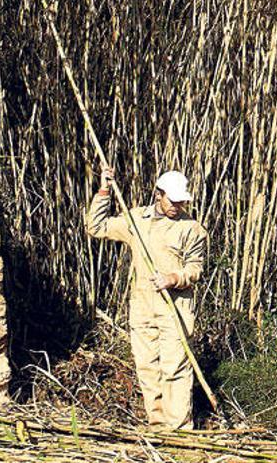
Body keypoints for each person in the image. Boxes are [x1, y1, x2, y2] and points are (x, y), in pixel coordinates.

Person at [86, 165, 207, 430]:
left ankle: (178, 430)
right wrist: (105, 189)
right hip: (142, 305)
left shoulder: (192, 229)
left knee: (174, 367)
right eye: (172, 200)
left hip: (175, 307)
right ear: (158, 195)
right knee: (147, 366)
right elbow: (96, 227)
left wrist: (174, 278)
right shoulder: (136, 221)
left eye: (181, 201)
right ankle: (158, 425)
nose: (177, 205)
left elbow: (195, 268)